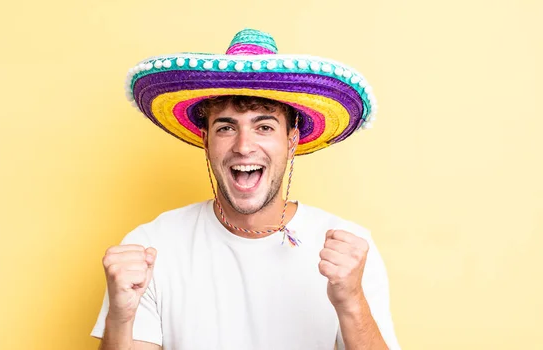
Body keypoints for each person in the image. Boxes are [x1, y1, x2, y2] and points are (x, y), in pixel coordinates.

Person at [91, 28, 400, 350]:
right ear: (206, 140)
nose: (243, 146)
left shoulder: (349, 248)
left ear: (291, 141)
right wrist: (120, 317)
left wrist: (351, 301)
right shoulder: (152, 246)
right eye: (226, 128)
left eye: (264, 127)